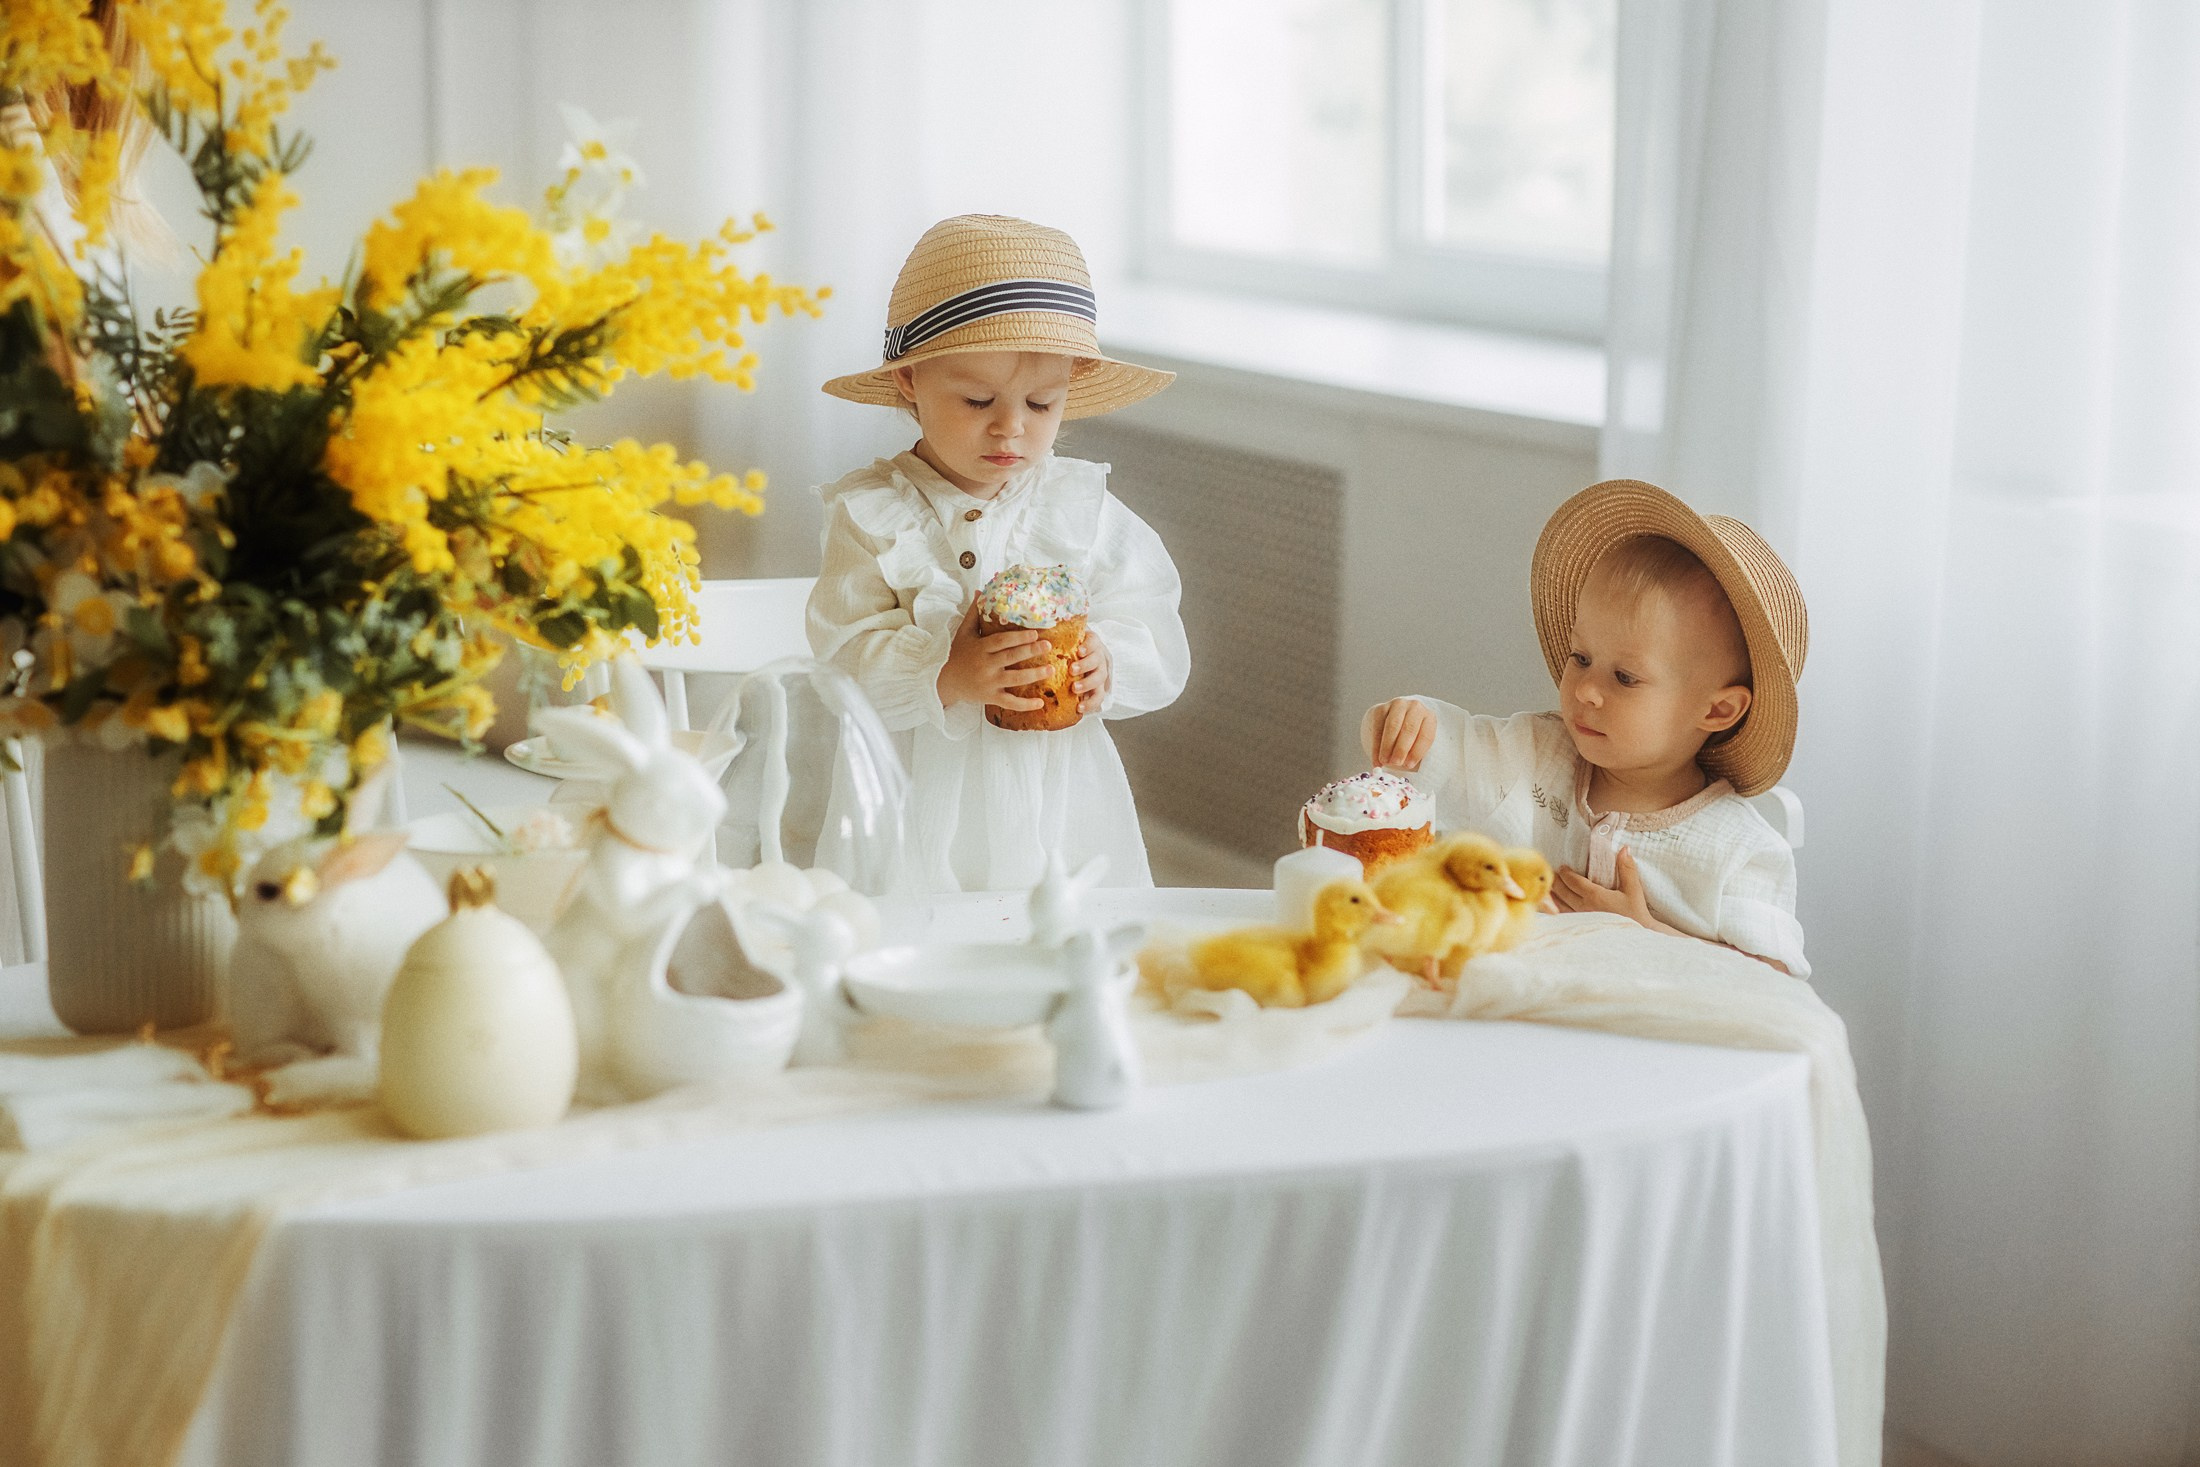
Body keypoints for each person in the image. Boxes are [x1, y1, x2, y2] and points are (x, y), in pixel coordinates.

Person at [808, 215, 1189, 892]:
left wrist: (1110, 660)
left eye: (1041, 404)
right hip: (913, 794)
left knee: (1058, 946)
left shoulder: (1079, 508)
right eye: (978, 399)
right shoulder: (872, 516)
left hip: (1059, 800)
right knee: (917, 950)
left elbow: (1151, 620)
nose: (1010, 426)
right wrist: (944, 672)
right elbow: (841, 661)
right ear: (909, 381)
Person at [1362, 480, 1810, 974]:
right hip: (1519, 1023)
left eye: (1625, 677)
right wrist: (1401, 722)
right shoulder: (1535, 757)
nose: (1585, 691)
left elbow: (1770, 984)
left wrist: (1641, 932)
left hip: (1649, 1046)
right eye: (1581, 657)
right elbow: (1443, 751)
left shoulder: (1739, 850)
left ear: (1718, 711)